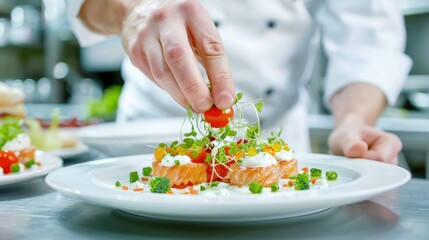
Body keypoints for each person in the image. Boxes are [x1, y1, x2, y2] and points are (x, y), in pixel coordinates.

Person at [67, 0, 411, 165]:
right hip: (143, 138)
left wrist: (352, 125)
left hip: (276, 145)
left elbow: (368, 35)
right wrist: (133, 12)